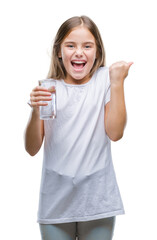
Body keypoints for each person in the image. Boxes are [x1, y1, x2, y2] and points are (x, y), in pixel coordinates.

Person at [24, 15, 133, 240]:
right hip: (55, 202)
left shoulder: (105, 80)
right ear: (58, 51)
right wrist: (35, 110)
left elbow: (115, 132)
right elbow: (32, 148)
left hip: (97, 199)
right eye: (70, 45)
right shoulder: (49, 89)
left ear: (98, 52)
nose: (79, 52)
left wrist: (117, 83)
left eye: (87, 46)